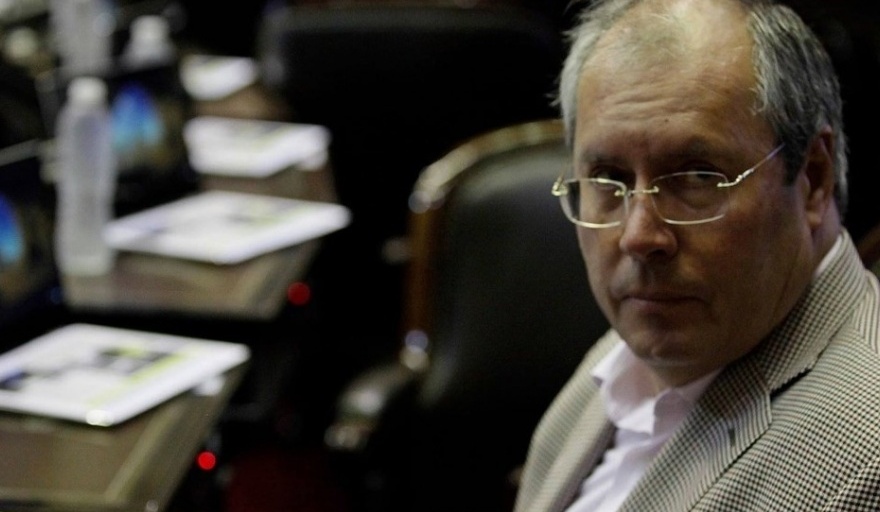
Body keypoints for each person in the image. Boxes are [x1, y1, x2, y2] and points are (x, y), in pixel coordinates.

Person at [513, 0, 880, 510]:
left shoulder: (863, 467)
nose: (638, 236)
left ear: (812, 180)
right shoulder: (633, 353)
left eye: (697, 177)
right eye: (609, 179)